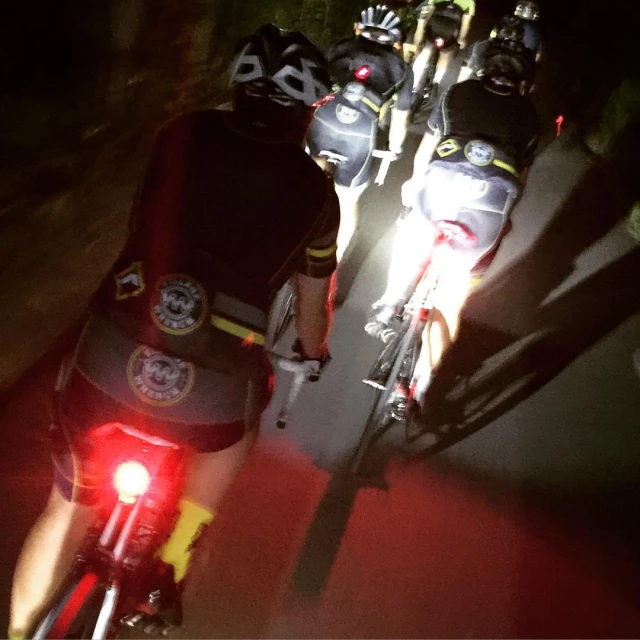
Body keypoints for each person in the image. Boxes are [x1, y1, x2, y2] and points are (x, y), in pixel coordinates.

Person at [9, 23, 339, 639]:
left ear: (238, 87)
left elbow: (141, 224)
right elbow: (314, 306)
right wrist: (313, 350)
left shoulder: (179, 133)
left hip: (112, 352)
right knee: (241, 426)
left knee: (67, 506)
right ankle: (174, 557)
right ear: (307, 109)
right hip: (212, 393)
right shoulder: (318, 194)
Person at [365, 49, 539, 419]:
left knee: (412, 233)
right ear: (523, 81)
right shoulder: (531, 116)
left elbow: (429, 147)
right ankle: (421, 389)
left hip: (443, 181)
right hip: (489, 203)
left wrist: (413, 184)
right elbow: (519, 184)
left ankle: (391, 300)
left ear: (483, 68)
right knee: (452, 300)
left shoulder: (458, 93)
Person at [306, 4, 413, 261]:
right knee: (347, 198)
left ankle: (290, 226)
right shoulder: (401, 69)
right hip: (360, 136)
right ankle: (335, 259)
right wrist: (395, 148)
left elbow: (314, 84)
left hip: (324, 121)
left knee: (306, 180)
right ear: (395, 41)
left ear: (359, 29)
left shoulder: (339, 47)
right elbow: (400, 117)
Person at [409, 0, 476, 96]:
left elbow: (429, 12)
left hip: (436, 30)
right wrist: (462, 38)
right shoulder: (469, 2)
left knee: (427, 51)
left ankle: (414, 84)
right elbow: (466, 23)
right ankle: (435, 82)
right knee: (443, 54)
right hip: (446, 33)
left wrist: (423, 28)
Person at [457, 14, 536, 84]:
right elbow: (529, 78)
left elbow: (473, 67)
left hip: (485, 83)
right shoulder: (527, 53)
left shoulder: (484, 45)